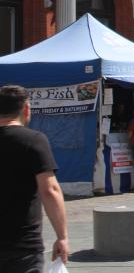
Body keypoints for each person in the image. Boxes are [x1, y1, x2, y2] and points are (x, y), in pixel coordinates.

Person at [0, 85, 69, 272]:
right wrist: (62, 236)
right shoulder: (33, 140)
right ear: (26, 109)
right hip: (22, 248)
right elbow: (49, 190)